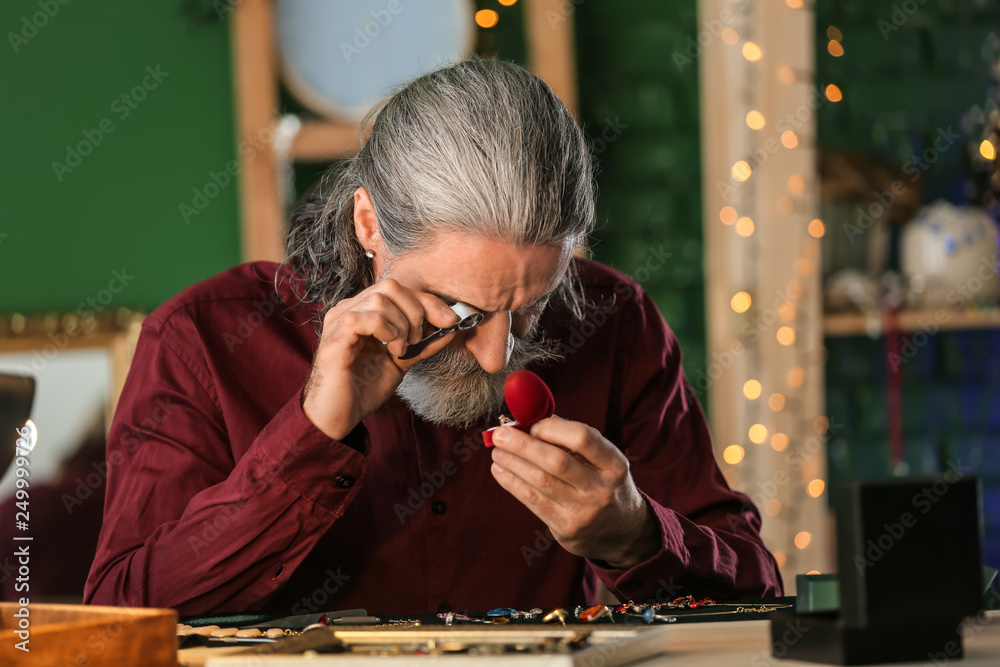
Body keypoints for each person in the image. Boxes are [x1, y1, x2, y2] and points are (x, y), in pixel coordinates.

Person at [84, 59, 782, 616]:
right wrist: (310, 434)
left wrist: (635, 533)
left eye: (533, 306)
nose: (498, 356)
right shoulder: (202, 339)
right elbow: (122, 617)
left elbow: (757, 597)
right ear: (369, 227)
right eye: (460, 308)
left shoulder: (616, 320)